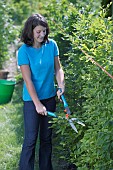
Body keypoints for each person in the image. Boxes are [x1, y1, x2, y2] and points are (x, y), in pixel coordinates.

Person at [17, 13, 65, 170]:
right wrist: (37, 104)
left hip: (50, 97)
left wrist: (61, 85)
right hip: (32, 101)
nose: (42, 34)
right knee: (31, 139)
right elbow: (28, 80)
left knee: (46, 138)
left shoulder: (52, 45)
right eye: (38, 31)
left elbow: (58, 69)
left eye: (44, 31)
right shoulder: (24, 51)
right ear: (30, 31)